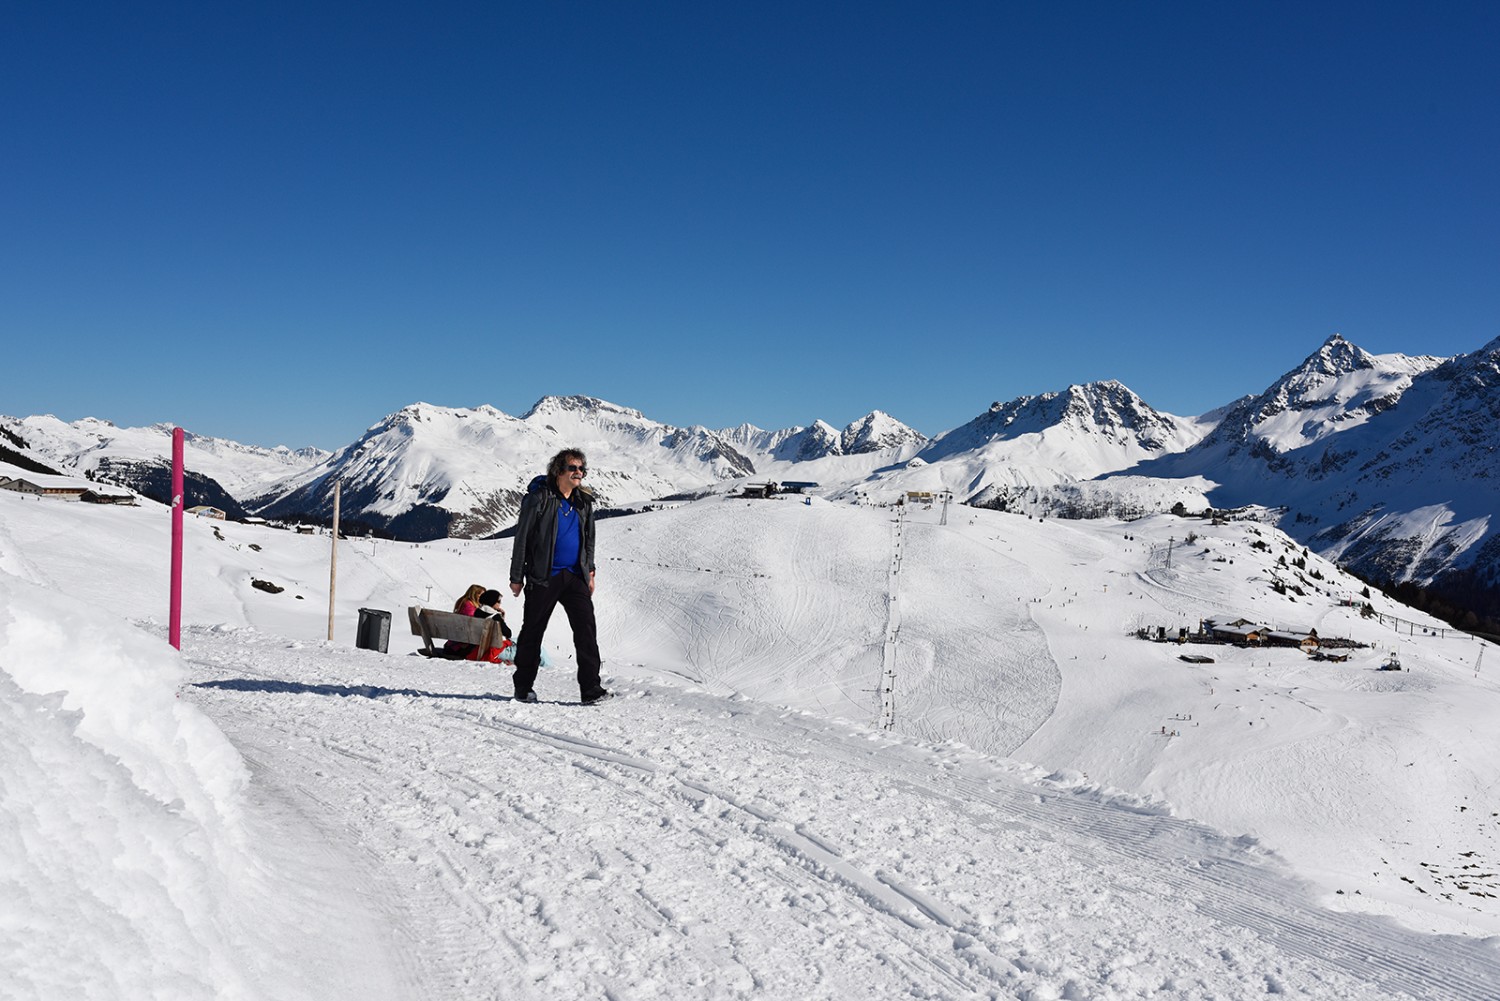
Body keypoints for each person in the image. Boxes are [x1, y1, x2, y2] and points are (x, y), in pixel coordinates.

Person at [509, 448, 609, 705]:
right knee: (533, 631)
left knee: (586, 630)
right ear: (558, 471)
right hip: (544, 576)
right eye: (573, 468)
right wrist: (517, 575)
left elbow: (589, 540)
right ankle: (523, 688)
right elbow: (522, 538)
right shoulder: (539, 499)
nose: (579, 473)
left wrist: (590, 571)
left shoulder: (583, 502)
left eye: (582, 469)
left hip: (575, 575)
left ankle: (591, 690)